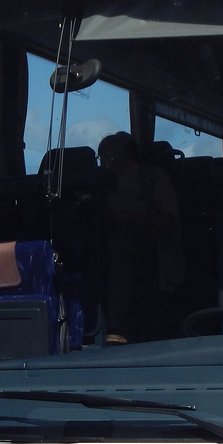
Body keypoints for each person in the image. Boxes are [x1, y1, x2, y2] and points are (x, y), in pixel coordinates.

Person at [97, 131, 183, 344]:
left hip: (150, 250)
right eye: (103, 155)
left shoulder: (153, 178)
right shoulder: (100, 184)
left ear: (128, 154)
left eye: (112, 154)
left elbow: (168, 218)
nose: (108, 160)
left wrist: (134, 222)